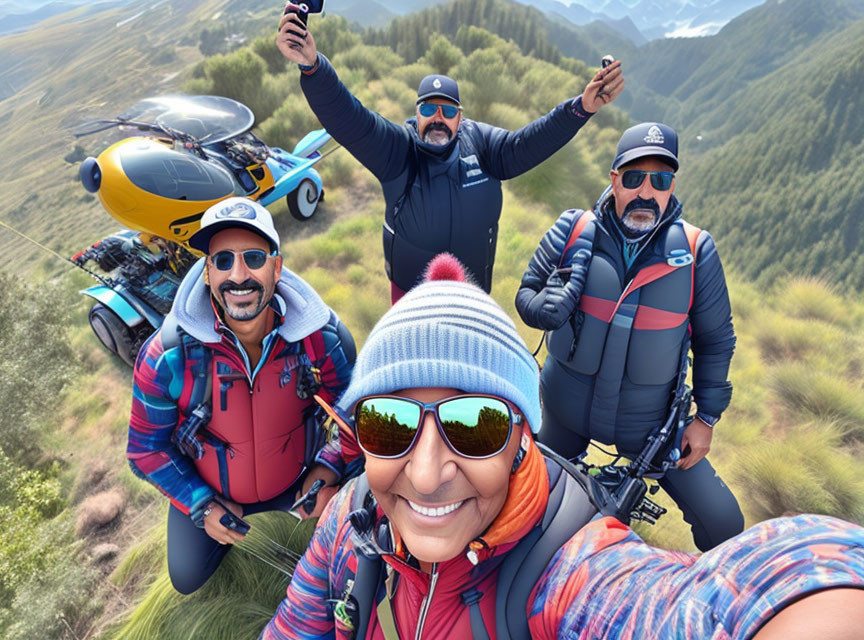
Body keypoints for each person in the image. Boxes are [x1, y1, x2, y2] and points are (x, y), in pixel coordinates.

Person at [260, 255, 864, 640]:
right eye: (389, 424)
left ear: (523, 436)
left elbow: (688, 606)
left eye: (474, 425)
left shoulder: (565, 572)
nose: (423, 475)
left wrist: (817, 597)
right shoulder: (352, 516)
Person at [275, 5, 625, 303]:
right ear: (417, 114)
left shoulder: (484, 145)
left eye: (447, 110)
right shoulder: (398, 152)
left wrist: (580, 108)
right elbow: (349, 118)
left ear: (461, 117)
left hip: (473, 295)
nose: (437, 118)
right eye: (429, 109)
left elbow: (529, 143)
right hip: (411, 299)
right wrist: (313, 67)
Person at [515, 122, 743, 550]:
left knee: (724, 523)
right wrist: (543, 308)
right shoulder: (573, 231)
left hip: (650, 427)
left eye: (660, 180)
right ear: (614, 180)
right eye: (634, 178)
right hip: (564, 411)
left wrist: (706, 419)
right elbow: (526, 293)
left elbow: (716, 339)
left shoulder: (695, 252)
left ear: (672, 186)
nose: (646, 192)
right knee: (516, 514)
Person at [127, 197, 356, 594]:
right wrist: (201, 504)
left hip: (300, 482)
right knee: (187, 578)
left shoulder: (322, 337)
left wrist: (329, 467)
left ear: (276, 267)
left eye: (253, 257)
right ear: (206, 275)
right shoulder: (167, 356)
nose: (238, 275)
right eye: (222, 261)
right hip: (212, 489)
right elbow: (145, 449)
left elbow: (354, 412)